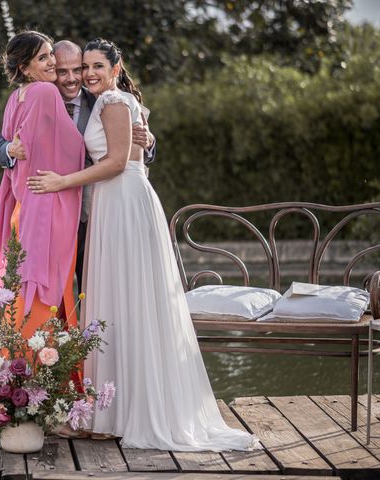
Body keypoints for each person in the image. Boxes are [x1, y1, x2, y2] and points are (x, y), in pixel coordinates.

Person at [27, 38, 257, 451]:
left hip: (122, 203)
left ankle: (125, 411)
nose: (87, 74)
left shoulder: (113, 101)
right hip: (110, 207)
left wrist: (63, 181)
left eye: (96, 65)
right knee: (116, 304)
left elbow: (118, 162)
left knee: (124, 302)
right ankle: (113, 409)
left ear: (116, 68)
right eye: (84, 67)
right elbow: (121, 150)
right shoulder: (97, 101)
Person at [0, 40, 156, 293]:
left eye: (77, 70)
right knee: (52, 293)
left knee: (98, 289)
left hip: (96, 211)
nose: (70, 78)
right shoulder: (37, 97)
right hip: (50, 217)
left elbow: (130, 150)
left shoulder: (102, 100)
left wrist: (149, 142)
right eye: (62, 71)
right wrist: (10, 150)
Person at [0, 31, 84, 339]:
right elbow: (74, 148)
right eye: (44, 57)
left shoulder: (16, 97)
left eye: (51, 54)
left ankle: (20, 370)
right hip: (48, 208)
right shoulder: (45, 92)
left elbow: (18, 146)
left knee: (26, 287)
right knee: (47, 290)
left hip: (24, 207)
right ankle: (44, 368)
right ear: (26, 68)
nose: (53, 62)